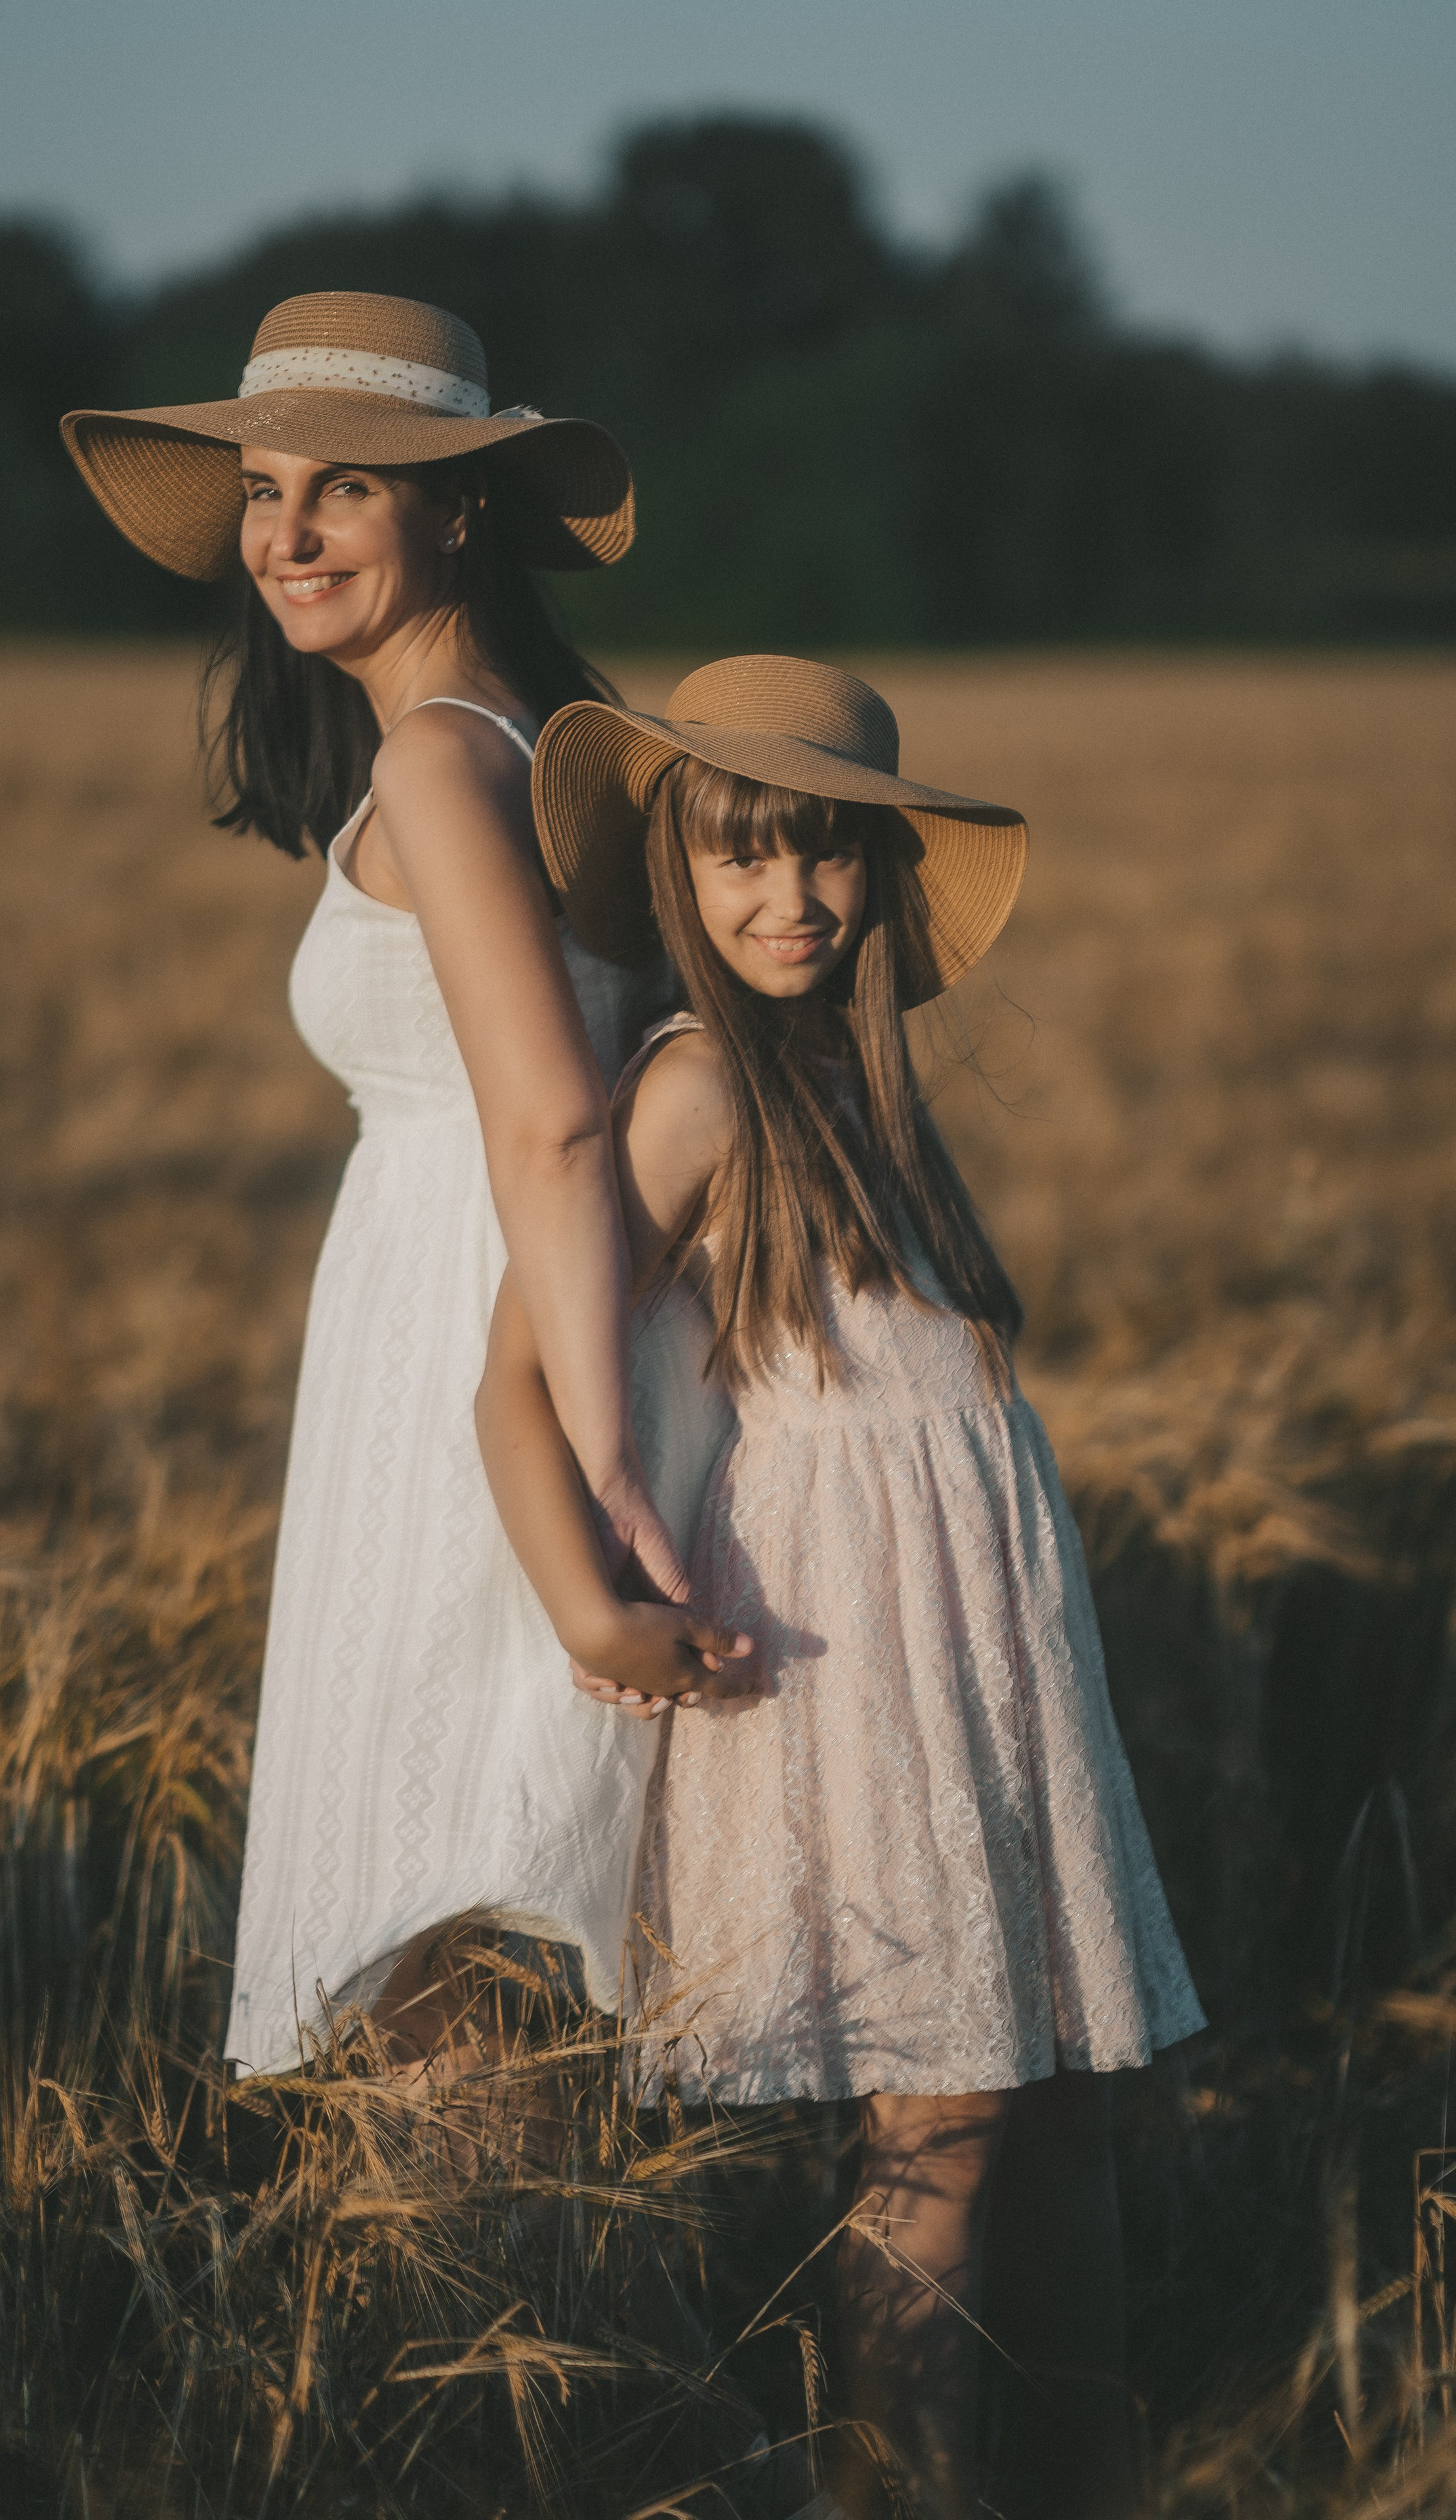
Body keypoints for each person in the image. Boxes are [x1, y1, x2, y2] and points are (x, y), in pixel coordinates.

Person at [476, 656, 1205, 2519]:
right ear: (676, 876)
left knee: (1052, 2109)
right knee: (939, 2124)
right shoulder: (698, 1090)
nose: (789, 901)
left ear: (883, 880)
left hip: (993, 1654)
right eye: (742, 859)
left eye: (827, 861)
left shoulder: (857, 1087)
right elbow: (514, 1378)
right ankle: (901, 2495)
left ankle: (1081, 2475)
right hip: (855, 1670)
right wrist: (589, 1605)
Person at [62, 290, 708, 2076]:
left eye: (344, 489)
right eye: (267, 492)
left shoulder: (441, 755)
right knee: (474, 1944)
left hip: (478, 1348)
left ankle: (499, 2342)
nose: (284, 534)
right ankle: (526, 2331)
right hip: (503, 1324)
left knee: (453, 1955)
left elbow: (559, 1127)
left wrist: (591, 1460)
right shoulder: (526, 741)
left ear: (461, 512)